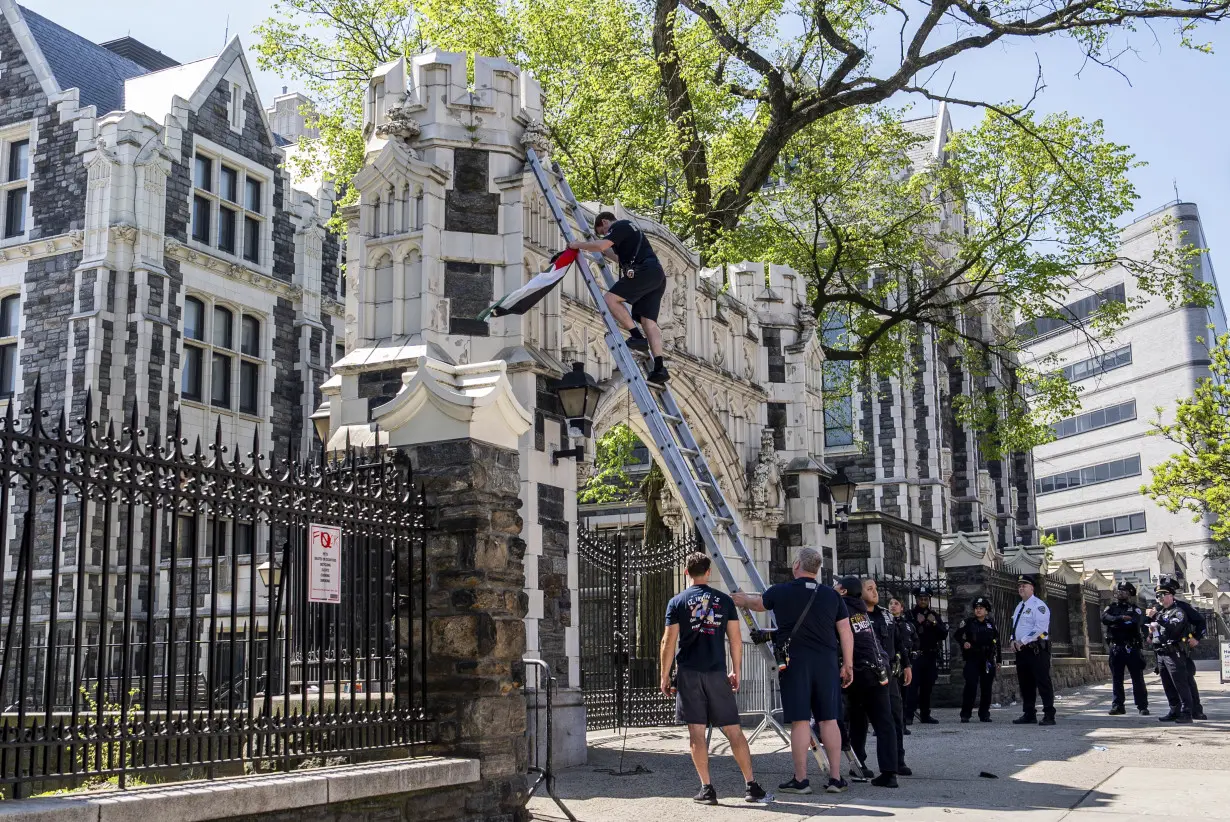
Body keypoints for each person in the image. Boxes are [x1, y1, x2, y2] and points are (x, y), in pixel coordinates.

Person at [733, 547, 854, 795]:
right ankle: (835, 778)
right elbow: (845, 632)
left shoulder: (780, 591)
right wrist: (847, 663)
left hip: (795, 662)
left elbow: (758, 604)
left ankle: (801, 780)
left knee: (799, 721)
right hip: (827, 663)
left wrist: (742, 600)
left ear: (797, 565)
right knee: (829, 719)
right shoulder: (833, 597)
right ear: (817, 568)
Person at [659, 552, 766, 804]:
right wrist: (736, 670)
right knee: (733, 730)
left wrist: (664, 675)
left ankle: (707, 788)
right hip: (717, 671)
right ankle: (750, 785)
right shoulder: (724, 601)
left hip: (688, 673)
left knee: (696, 732)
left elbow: (668, 641)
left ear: (687, 572)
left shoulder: (677, 602)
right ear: (708, 573)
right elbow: (735, 639)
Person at [567, 212, 669, 383]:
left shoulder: (620, 226)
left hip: (643, 271)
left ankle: (637, 336)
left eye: (603, 231)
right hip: (656, 275)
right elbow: (617, 256)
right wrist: (604, 251)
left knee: (610, 299)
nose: (605, 234)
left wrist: (577, 245)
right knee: (648, 322)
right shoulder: (633, 233)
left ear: (605, 222)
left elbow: (602, 245)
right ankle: (659, 367)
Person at [834, 577, 900, 787]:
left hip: (860, 670)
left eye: (837, 587)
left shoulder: (841, 608)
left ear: (843, 591)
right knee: (884, 722)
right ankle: (890, 772)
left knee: (857, 719)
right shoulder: (862, 610)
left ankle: (858, 764)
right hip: (879, 669)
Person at [1148, 576, 1206, 722]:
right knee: (1168, 682)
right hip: (1162, 651)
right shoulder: (1159, 609)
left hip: (1178, 649)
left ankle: (1193, 711)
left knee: (1185, 681)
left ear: (1172, 593)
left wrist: (1196, 638)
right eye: (1158, 594)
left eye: (1163, 593)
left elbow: (1199, 622)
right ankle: (1175, 709)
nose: (1159, 597)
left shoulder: (1180, 608)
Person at [1010, 574, 1056, 726]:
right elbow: (1016, 626)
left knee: (1043, 682)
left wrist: (1022, 641)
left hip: (1036, 649)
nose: (1021, 588)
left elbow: (1040, 629)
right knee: (1025, 683)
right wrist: (1012, 639)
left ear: (1032, 588)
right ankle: (1029, 713)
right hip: (1022, 651)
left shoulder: (1039, 606)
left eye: (1024, 585)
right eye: (1019, 586)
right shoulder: (1019, 606)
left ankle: (1049, 713)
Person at [1102, 581, 1149, 716]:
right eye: (1119, 591)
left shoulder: (1135, 609)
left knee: (1137, 678)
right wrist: (1121, 618)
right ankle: (1118, 705)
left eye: (1123, 591)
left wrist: (1115, 622)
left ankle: (1142, 706)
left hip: (1132, 647)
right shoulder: (1111, 607)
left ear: (1129, 593)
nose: (1120, 593)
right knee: (1117, 678)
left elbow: (1133, 623)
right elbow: (1105, 619)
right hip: (1116, 648)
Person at [953, 596, 1001, 723]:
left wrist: (999, 660)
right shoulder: (969, 622)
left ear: (986, 611)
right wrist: (964, 642)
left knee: (986, 687)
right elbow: (957, 635)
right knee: (971, 686)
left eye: (981, 608)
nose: (978, 610)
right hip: (973, 658)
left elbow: (997, 642)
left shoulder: (991, 624)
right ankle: (966, 714)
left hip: (987, 659)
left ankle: (984, 713)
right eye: (976, 608)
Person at [904, 585, 947, 724]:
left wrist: (933, 622)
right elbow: (907, 633)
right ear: (916, 599)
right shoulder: (910, 614)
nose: (923, 600)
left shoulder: (933, 615)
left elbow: (943, 634)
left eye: (925, 598)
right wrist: (918, 622)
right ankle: (908, 715)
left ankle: (925, 715)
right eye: (920, 598)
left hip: (930, 655)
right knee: (912, 687)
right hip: (916, 656)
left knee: (927, 687)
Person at [888, 597, 917, 737]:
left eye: (896, 604)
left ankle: (902, 725)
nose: (893, 606)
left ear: (902, 608)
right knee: (887, 697)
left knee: (903, 696)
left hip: (904, 664)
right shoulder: (885, 622)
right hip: (889, 664)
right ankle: (884, 726)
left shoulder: (908, 625)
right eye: (890, 604)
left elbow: (915, 641)